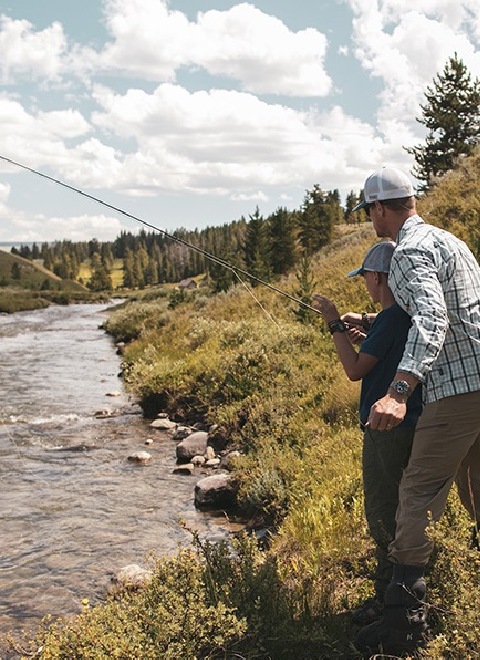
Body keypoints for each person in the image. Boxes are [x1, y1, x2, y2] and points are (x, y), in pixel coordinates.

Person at [347, 166, 480, 656]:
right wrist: (368, 321)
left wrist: (399, 390)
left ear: (381, 208)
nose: (370, 220)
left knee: (415, 495)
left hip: (456, 390)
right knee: (476, 494)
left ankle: (405, 626)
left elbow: (431, 317)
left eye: (369, 211)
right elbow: (455, 310)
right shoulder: (451, 242)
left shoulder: (406, 252)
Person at [312, 241, 423, 625]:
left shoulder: (390, 317)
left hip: (385, 428)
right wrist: (359, 328)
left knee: (381, 511)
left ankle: (388, 598)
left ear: (376, 277)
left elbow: (354, 369)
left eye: (364, 278)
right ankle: (406, 589)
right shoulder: (405, 315)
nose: (364, 285)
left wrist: (333, 323)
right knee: (407, 507)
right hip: (412, 425)